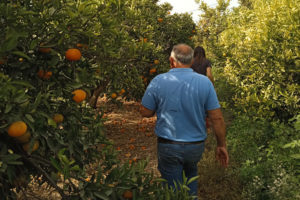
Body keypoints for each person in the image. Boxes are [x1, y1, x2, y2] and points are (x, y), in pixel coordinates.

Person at [140, 44, 229, 197]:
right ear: (192, 61)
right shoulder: (205, 83)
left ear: (171, 61)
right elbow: (217, 118)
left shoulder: (159, 80)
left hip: (169, 145)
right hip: (195, 147)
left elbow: (145, 111)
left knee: (172, 190)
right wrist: (221, 145)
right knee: (190, 177)